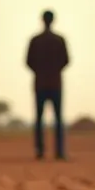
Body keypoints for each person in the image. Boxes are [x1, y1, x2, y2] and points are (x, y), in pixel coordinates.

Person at [25, 9, 69, 160]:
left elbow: (28, 61)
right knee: (58, 118)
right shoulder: (59, 40)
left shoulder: (36, 40)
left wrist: (40, 71)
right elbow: (66, 60)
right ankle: (60, 151)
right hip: (55, 83)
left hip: (41, 84)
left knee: (39, 119)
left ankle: (40, 150)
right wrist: (54, 71)